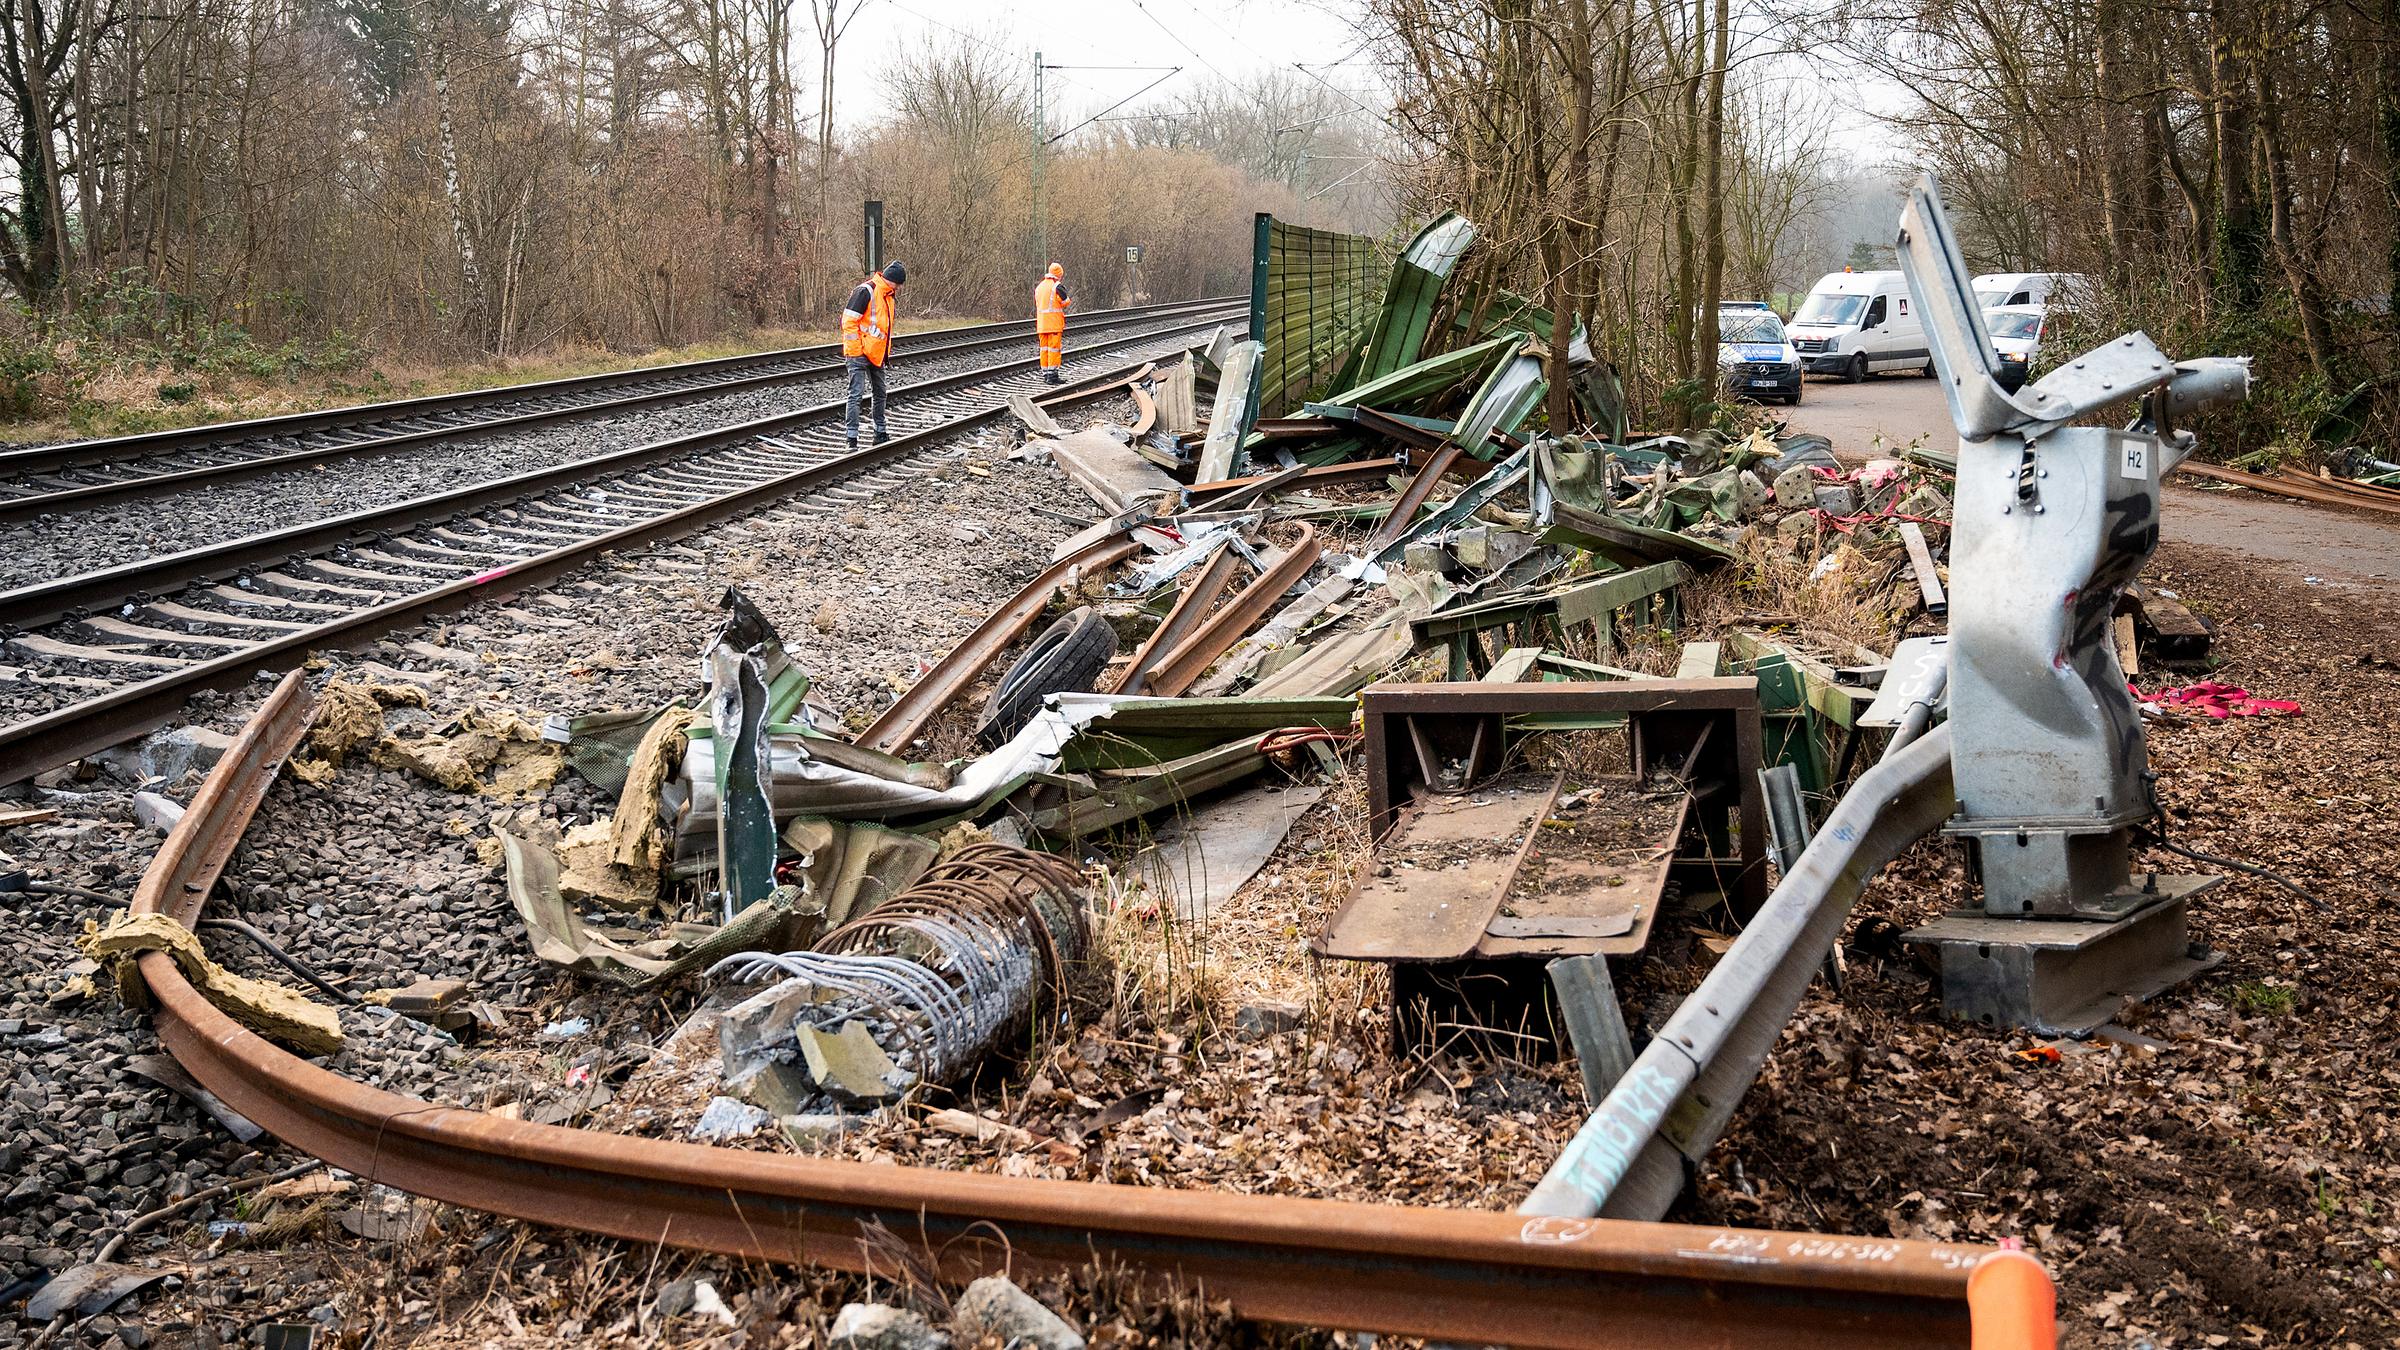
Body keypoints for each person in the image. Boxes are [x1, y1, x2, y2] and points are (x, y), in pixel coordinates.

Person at [841, 260, 905, 447]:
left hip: (876, 354)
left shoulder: (888, 295)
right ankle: (851, 438)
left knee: (880, 393)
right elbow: (849, 321)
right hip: (858, 353)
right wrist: (855, 351)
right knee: (856, 395)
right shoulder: (866, 291)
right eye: (899, 284)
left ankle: (880, 432)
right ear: (893, 281)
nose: (900, 288)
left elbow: (882, 329)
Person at [1033, 262, 1070, 384]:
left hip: (1042, 325)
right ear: (1059, 274)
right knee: (1054, 349)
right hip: (1053, 324)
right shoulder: (1057, 286)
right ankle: (1052, 376)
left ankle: (1045, 374)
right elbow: (1065, 302)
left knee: (1044, 349)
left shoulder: (1039, 287)